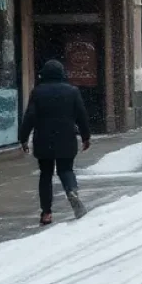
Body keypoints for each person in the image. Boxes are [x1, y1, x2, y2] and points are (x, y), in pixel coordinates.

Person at [20, 59, 92, 225]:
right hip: (66, 138)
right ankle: (72, 191)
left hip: (43, 139)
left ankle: (46, 213)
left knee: (45, 175)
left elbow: (30, 116)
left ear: (44, 74)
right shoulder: (72, 92)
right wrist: (86, 136)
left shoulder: (37, 92)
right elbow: (81, 115)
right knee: (66, 170)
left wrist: (23, 138)